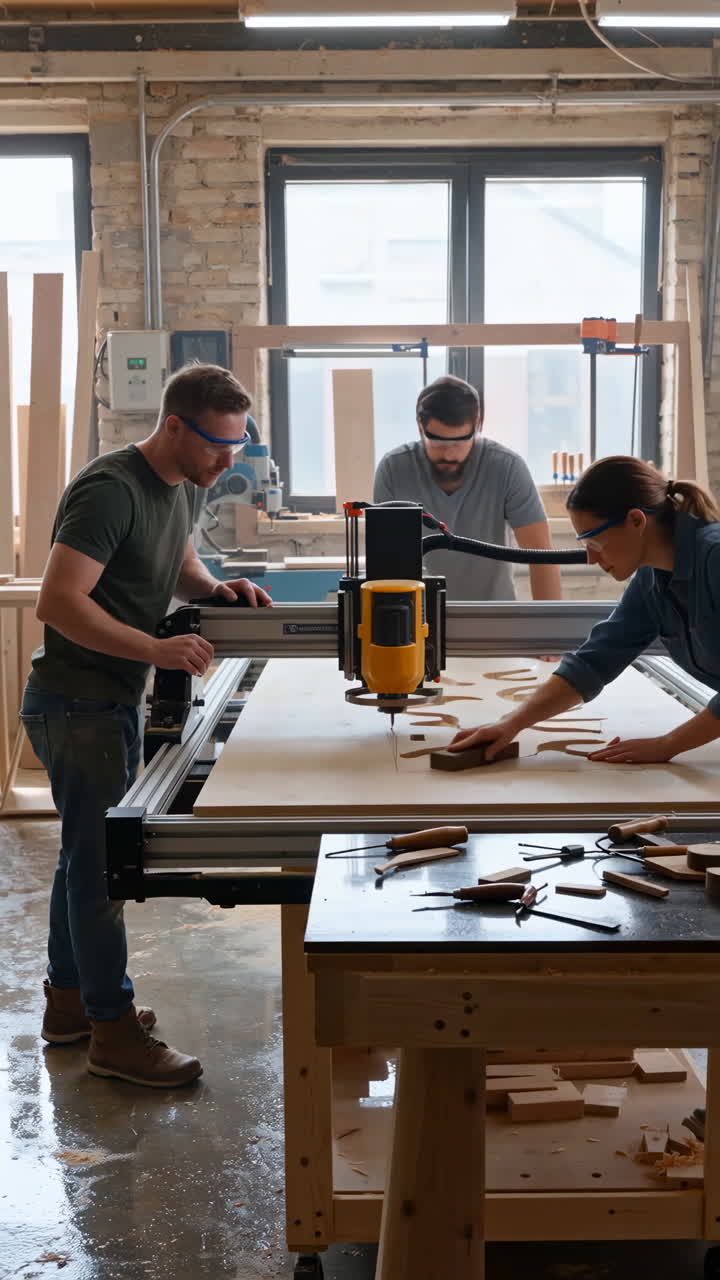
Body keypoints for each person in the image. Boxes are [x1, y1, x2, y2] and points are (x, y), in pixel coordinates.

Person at [21, 362, 271, 1089]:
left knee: (82, 862)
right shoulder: (109, 489)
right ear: (173, 426)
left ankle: (70, 1008)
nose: (229, 462)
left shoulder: (176, 486)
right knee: (100, 873)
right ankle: (112, 1032)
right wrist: (157, 648)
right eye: (219, 446)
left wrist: (216, 587)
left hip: (108, 700)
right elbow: (59, 602)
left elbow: (178, 557)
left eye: (238, 445)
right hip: (77, 704)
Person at [450, 455, 720, 765]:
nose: (591, 558)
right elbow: (594, 662)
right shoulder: (651, 580)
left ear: (636, 521)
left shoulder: (714, 557)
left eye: (594, 540)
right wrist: (510, 723)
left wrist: (668, 744)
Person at [373, 374, 562, 602]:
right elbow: (387, 561)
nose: (450, 454)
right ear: (419, 426)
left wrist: (548, 630)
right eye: (438, 442)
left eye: (460, 441)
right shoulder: (394, 469)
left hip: (494, 616)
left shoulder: (507, 468)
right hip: (417, 621)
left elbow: (541, 556)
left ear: (478, 424)